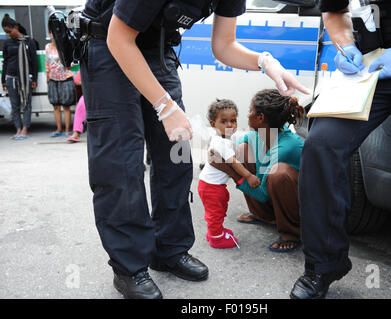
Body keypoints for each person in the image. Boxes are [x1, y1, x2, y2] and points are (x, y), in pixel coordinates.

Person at [79, 0, 310, 299]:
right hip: (110, 48)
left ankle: (170, 250)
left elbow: (224, 45)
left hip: (157, 52)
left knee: (176, 156)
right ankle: (129, 267)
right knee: (121, 166)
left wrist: (266, 62)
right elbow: (119, 38)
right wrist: (164, 106)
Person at [290, 0, 391, 299]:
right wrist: (346, 46)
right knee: (321, 145)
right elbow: (334, 12)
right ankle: (323, 264)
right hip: (374, 62)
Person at [209, 89, 304, 253]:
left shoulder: (287, 146)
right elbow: (230, 153)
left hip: (299, 204)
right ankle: (264, 215)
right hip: (271, 193)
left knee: (278, 173)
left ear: (260, 118)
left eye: (250, 111)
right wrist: (217, 151)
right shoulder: (257, 135)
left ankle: (293, 232)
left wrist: (233, 173)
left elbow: (265, 194)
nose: (247, 115)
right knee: (240, 151)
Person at [198, 99, 260, 249]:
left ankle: (214, 232)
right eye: (224, 122)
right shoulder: (223, 142)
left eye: (233, 120)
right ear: (214, 124)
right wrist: (249, 176)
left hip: (208, 184)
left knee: (216, 209)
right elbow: (234, 163)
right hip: (212, 186)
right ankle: (216, 237)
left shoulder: (220, 138)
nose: (230, 125)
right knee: (216, 212)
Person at [1, 14, 38, 140]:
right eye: (5, 32)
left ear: (15, 28)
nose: (8, 34)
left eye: (9, 31)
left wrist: (35, 79)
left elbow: (34, 62)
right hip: (10, 78)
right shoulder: (7, 43)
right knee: (15, 105)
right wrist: (3, 80)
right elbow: (5, 62)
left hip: (26, 78)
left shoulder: (29, 41)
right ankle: (18, 128)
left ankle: (25, 129)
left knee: (27, 104)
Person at [45, 31, 75, 138]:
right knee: (55, 106)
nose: (54, 35)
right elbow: (47, 63)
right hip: (53, 79)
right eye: (52, 33)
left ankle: (67, 130)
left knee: (66, 106)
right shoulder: (47, 47)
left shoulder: (65, 46)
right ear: (50, 34)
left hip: (65, 78)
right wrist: (47, 77)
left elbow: (70, 63)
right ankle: (59, 129)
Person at [67, 71, 85, 143]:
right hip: (91, 92)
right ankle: (76, 133)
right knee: (81, 104)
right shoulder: (87, 64)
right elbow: (77, 81)